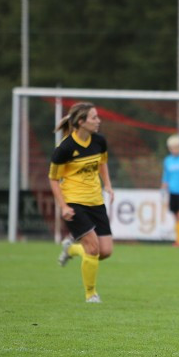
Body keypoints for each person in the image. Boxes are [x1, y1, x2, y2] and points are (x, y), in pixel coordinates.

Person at [50, 102, 115, 304]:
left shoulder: (99, 141)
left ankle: (71, 249)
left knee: (105, 251)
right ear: (81, 122)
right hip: (74, 201)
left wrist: (108, 185)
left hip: (95, 200)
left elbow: (102, 163)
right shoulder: (65, 148)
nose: (98, 121)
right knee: (93, 248)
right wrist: (64, 206)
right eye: (94, 117)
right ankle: (91, 294)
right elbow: (53, 179)